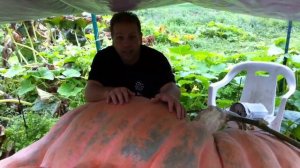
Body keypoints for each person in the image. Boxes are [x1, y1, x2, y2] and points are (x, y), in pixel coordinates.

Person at [85, 11, 185, 119]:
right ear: (112, 39)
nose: (126, 44)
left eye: (132, 37)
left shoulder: (156, 59)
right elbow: (89, 91)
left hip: (149, 118)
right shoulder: (103, 59)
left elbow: (171, 87)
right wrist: (107, 92)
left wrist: (169, 95)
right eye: (120, 38)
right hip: (111, 119)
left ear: (140, 38)